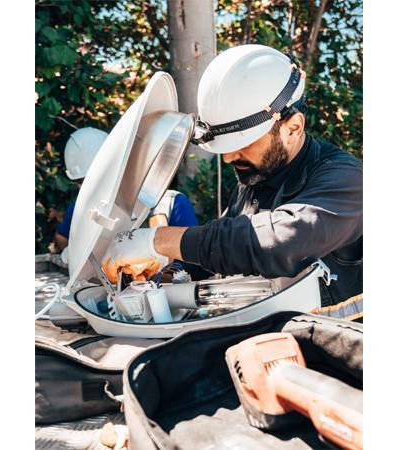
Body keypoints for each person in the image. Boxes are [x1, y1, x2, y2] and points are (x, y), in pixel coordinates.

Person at [101, 44, 363, 321]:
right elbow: (223, 246)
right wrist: (169, 266)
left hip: (337, 341)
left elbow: (278, 242)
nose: (228, 157)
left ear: (293, 127)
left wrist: (157, 240)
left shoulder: (347, 180)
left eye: (244, 143)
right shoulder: (257, 178)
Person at [54, 127, 199, 263]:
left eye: (101, 179)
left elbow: (195, 259)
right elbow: (61, 238)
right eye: (84, 182)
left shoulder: (171, 204)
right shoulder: (80, 209)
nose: (95, 188)